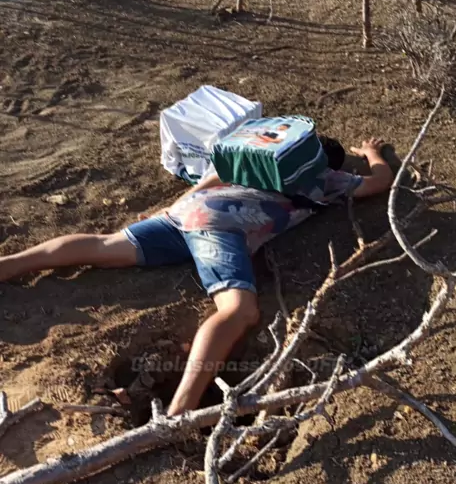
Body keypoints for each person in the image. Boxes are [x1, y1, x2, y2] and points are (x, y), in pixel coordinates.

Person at [0, 136, 393, 416]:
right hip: (220, 227)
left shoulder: (258, 161)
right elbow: (381, 181)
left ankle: (12, 264)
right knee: (239, 311)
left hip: (187, 212)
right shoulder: (326, 179)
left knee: (105, 247)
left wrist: (174, 206)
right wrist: (372, 153)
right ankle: (179, 413)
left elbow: (214, 175)